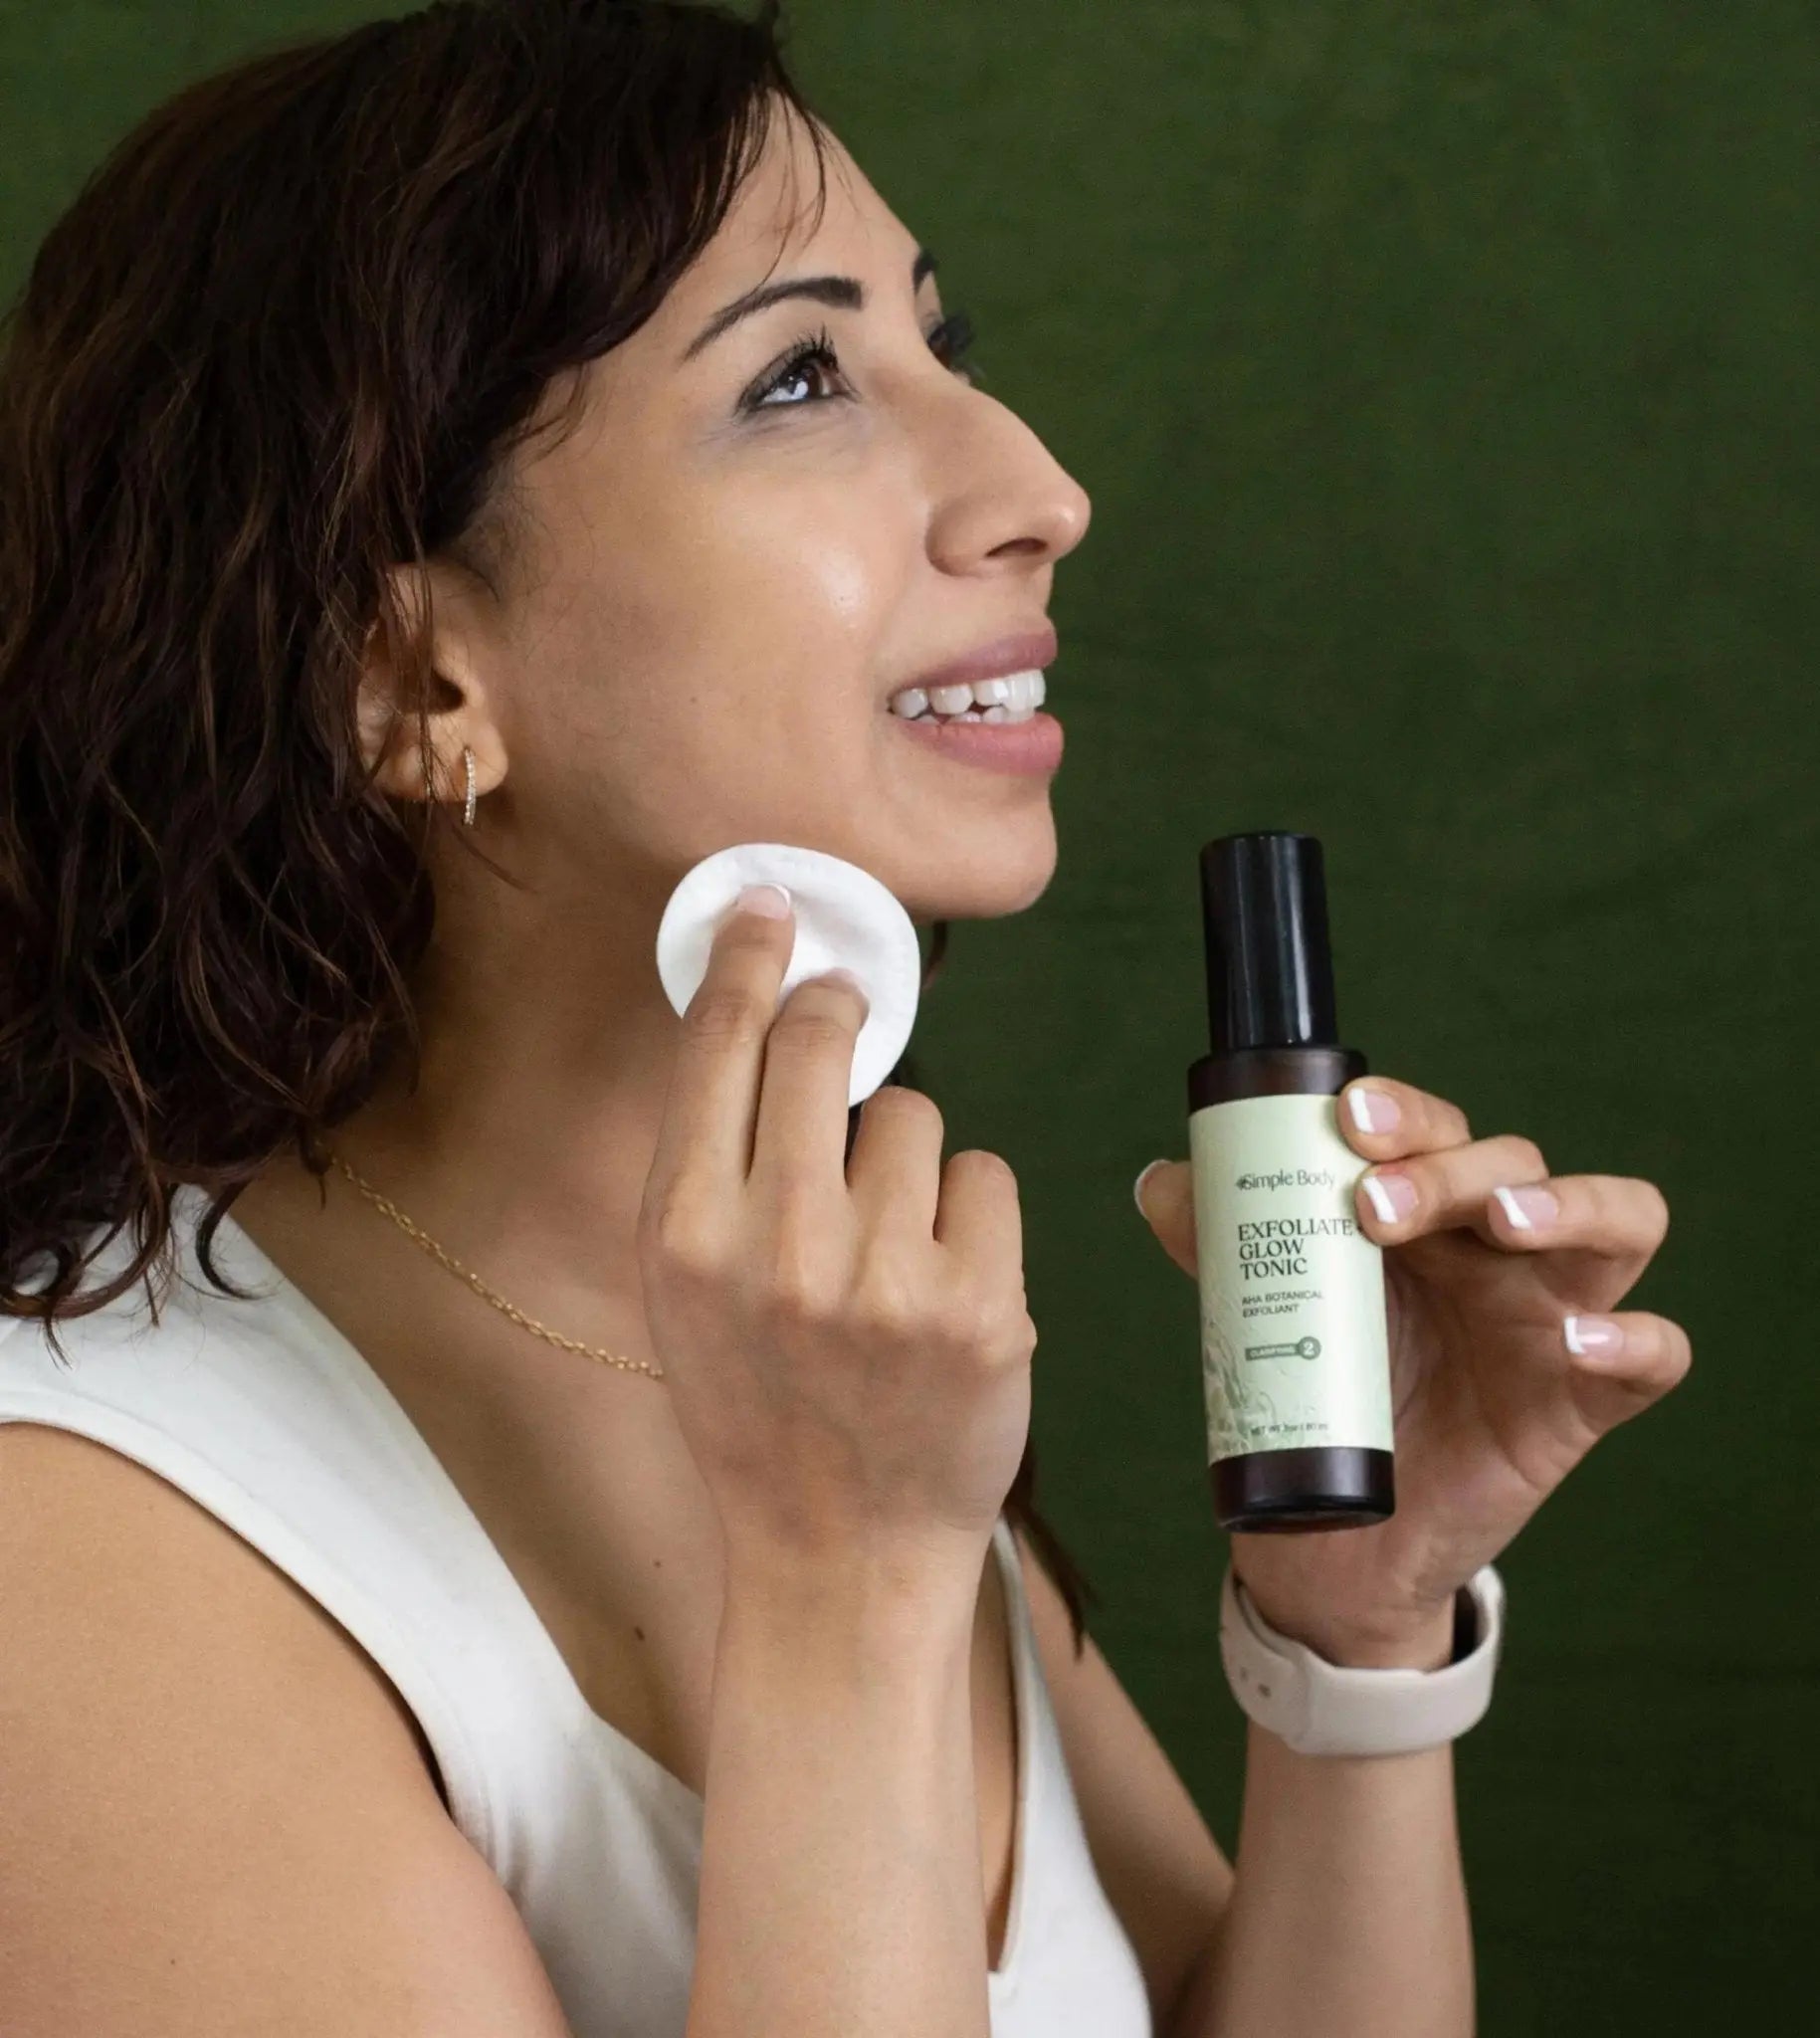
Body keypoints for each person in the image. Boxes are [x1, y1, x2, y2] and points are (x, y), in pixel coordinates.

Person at [0, 4, 1690, 2035]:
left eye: (939, 348)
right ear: (412, 682)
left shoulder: (822, 1362)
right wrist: (849, 1597)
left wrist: (1357, 1638)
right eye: (802, 376)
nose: (1040, 485)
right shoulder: (75, 1552)